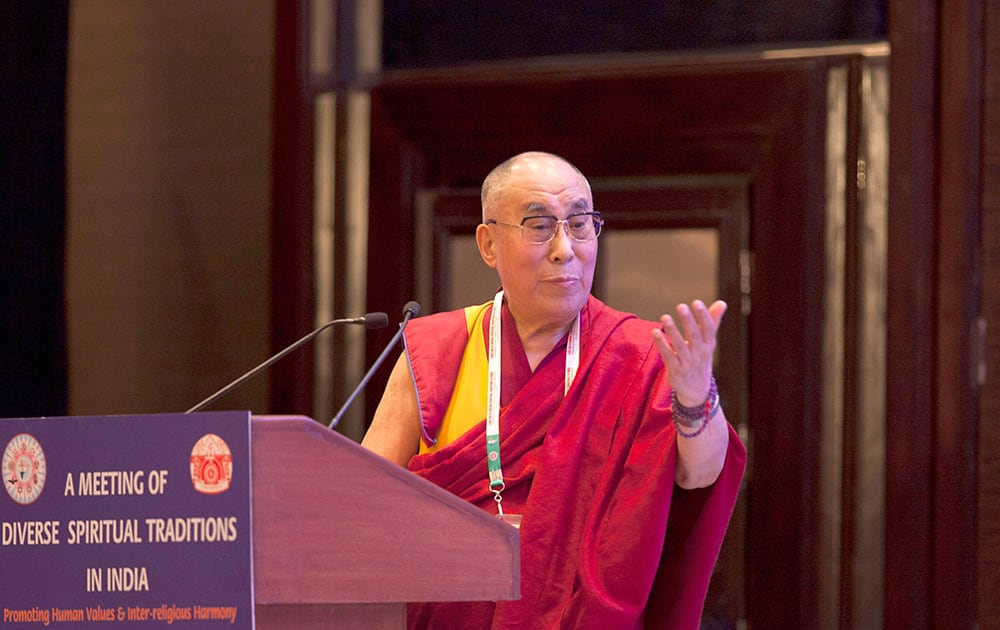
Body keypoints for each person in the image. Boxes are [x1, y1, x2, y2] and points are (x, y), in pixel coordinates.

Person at [362, 151, 746, 629]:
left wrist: (695, 399)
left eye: (580, 224)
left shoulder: (637, 354)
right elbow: (364, 499)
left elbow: (701, 475)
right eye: (540, 226)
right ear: (488, 244)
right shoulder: (438, 350)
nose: (565, 247)